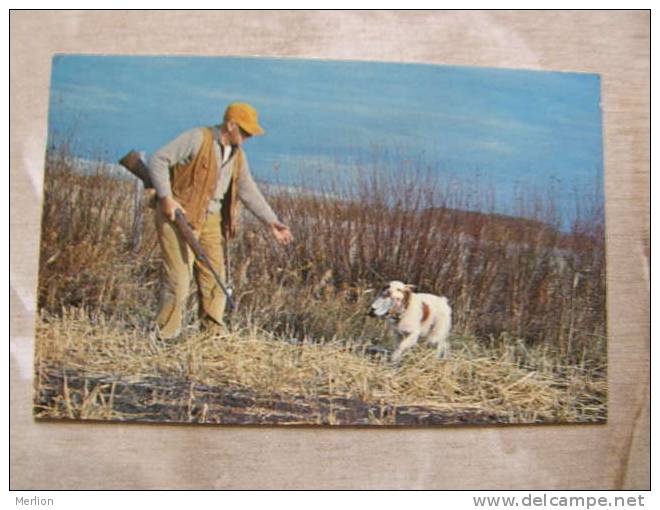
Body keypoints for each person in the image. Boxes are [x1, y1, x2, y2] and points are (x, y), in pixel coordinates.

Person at [147, 102, 293, 339]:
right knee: (179, 282)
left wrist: (271, 221)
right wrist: (166, 198)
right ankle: (164, 336)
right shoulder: (197, 138)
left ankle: (211, 336)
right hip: (179, 216)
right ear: (231, 125)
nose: (247, 137)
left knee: (215, 279)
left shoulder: (237, 155)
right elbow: (158, 160)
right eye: (244, 132)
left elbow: (247, 189)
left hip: (211, 221)